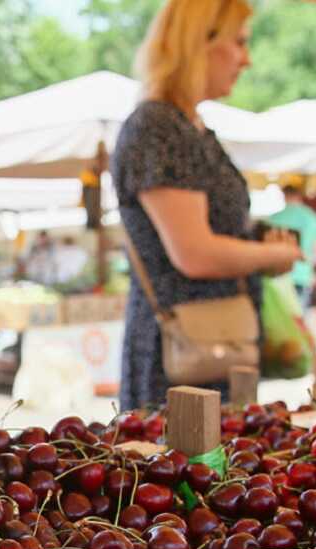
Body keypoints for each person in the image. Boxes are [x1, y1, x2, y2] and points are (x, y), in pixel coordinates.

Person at [112, 0, 300, 410]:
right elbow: (195, 253)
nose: (246, 59)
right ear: (199, 42)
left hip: (217, 346)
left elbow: (214, 232)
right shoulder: (158, 127)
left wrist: (258, 243)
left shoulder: (190, 128)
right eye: (239, 43)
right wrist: (271, 254)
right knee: (182, 467)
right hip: (181, 357)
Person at [267, 178, 316, 307]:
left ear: (284, 196)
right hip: (302, 274)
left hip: (277, 276)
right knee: (298, 319)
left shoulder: (274, 218)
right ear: (299, 196)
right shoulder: (312, 218)